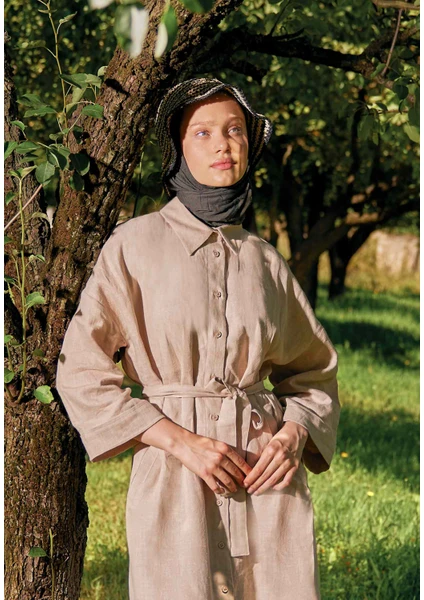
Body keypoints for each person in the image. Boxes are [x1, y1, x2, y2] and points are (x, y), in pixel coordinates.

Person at [56, 77, 340, 600]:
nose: (223, 144)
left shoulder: (265, 261)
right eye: (203, 132)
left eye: (234, 130)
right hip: (175, 477)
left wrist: (294, 435)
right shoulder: (133, 246)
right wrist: (180, 442)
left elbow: (314, 372)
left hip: (266, 479)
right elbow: (80, 371)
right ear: (178, 149)